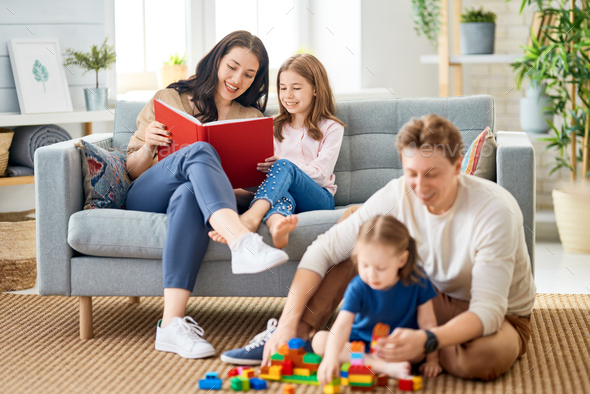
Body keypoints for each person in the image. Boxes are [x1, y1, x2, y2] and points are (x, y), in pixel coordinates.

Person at [225, 114, 536, 382]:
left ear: (457, 167)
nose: (421, 187)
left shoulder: (495, 211)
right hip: (424, 295)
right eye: (412, 173)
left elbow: (489, 311)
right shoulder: (400, 193)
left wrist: (427, 341)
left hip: (501, 314)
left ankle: (399, 348)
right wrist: (288, 322)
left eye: (432, 175)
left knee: (475, 362)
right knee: (362, 248)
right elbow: (324, 250)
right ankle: (293, 337)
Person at [124, 30, 290, 359]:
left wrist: (259, 177)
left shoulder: (252, 118)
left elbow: (248, 192)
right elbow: (132, 169)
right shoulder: (168, 99)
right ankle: (240, 239)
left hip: (196, 201)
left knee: (190, 193)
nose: (237, 79)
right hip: (147, 194)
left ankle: (170, 324)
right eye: (232, 67)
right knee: (198, 149)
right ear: (216, 60)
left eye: (249, 74)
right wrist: (148, 147)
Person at [208, 53, 345, 249]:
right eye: (283, 88)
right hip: (280, 194)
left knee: (283, 166)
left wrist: (286, 167)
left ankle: (251, 217)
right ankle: (276, 227)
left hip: (318, 198)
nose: (288, 95)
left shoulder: (332, 127)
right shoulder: (272, 126)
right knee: (281, 193)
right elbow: (264, 178)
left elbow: (322, 176)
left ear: (315, 89)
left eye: (296, 88)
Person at [313, 215, 442, 383]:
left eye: (381, 268)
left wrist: (433, 360)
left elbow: (428, 323)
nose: (371, 274)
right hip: (358, 345)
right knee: (319, 341)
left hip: (395, 347)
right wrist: (330, 358)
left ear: (401, 260)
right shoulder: (358, 285)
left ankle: (375, 364)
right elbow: (342, 324)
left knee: (418, 352)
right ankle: (383, 368)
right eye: (365, 265)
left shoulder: (418, 280)